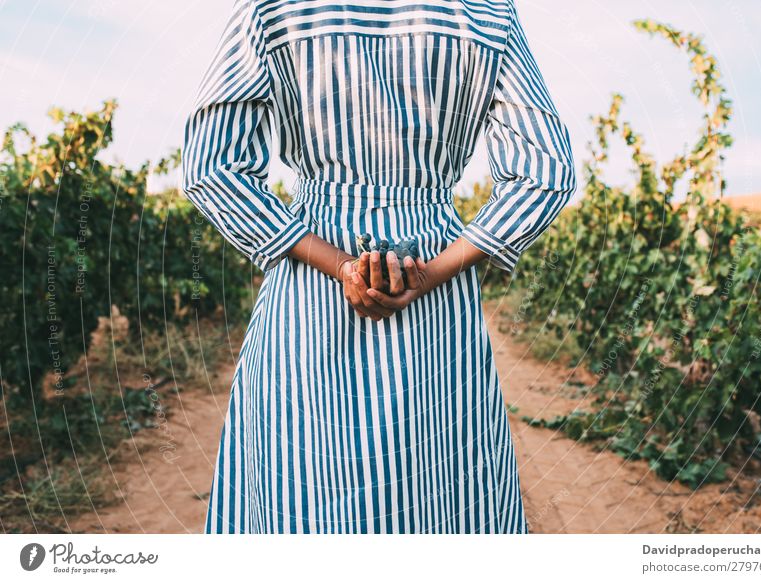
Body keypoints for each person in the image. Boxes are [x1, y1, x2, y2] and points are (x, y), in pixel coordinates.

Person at [182, 0, 576, 533]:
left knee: (303, 488)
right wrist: (430, 272)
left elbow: (213, 167)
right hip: (437, 298)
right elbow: (545, 171)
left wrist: (343, 265)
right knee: (444, 490)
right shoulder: (485, 15)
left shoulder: (273, 9)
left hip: (308, 289)